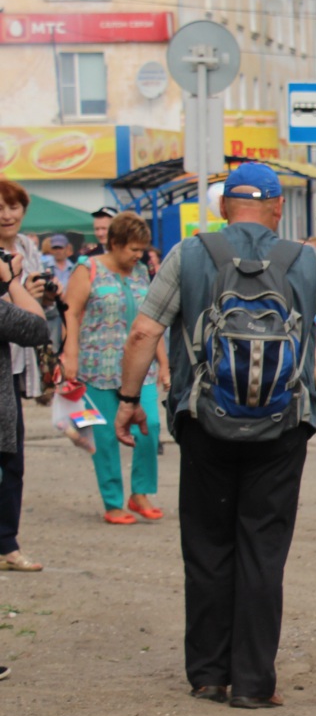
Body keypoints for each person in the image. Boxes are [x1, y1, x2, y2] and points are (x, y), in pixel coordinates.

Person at [116, 163, 316, 707]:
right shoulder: (303, 258)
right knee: (262, 550)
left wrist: (129, 402)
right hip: (281, 427)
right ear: (277, 208)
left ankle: (207, 674)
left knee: (207, 546)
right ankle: (253, 683)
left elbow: (143, 331)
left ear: (225, 207)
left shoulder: (189, 254)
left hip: (205, 422)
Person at [60, 212, 169, 526]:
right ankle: (112, 502)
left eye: (142, 249)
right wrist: (71, 355)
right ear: (115, 243)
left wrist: (163, 364)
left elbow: (151, 323)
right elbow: (72, 314)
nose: (138, 255)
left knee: (149, 428)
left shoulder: (140, 274)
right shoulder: (88, 269)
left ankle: (141, 492)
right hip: (96, 370)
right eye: (132, 249)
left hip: (138, 369)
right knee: (104, 437)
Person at [0, 181, 52, 571]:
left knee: (12, 456)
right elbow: (29, 325)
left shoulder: (29, 248)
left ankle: (7, 543)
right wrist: (14, 285)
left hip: (16, 365)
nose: (7, 214)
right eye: (1, 207)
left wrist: (39, 294)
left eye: (14, 207)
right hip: (14, 342)